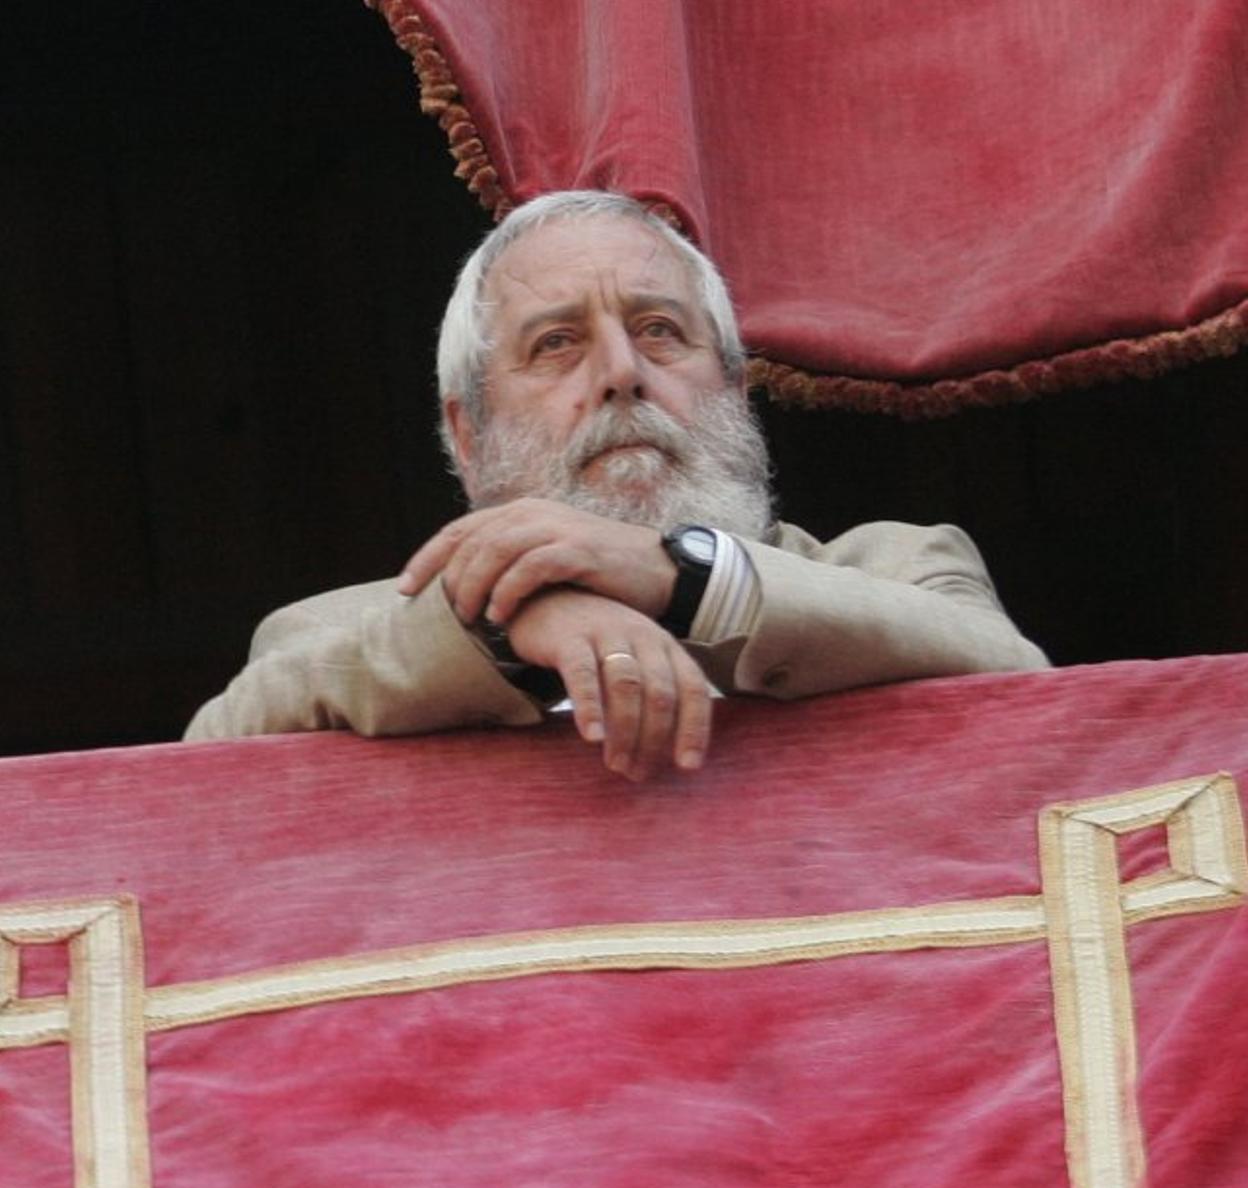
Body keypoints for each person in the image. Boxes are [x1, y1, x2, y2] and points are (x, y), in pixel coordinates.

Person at [185, 191, 1048, 779]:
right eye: (557, 343)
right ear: (468, 434)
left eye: (660, 330)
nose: (622, 372)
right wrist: (509, 622)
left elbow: (1022, 690)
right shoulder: (331, 630)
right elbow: (205, 769)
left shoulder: (901, 565)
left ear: (736, 392)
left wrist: (680, 579)